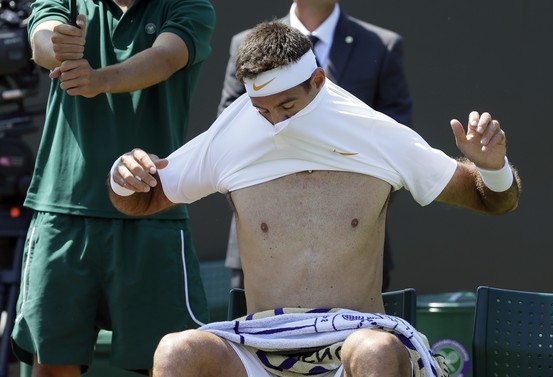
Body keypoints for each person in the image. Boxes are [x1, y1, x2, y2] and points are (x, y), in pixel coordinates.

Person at [108, 21, 521, 377]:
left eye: (287, 106)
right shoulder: (232, 133)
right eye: (262, 110)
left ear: (318, 82)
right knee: (175, 351)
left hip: (353, 342)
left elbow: (492, 199)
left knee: (376, 350)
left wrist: (493, 168)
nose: (276, 123)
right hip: (260, 347)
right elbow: (140, 200)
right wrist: (124, 176)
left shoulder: (374, 132)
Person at [11, 0, 215, 376]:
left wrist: (98, 80)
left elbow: (166, 57)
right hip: (63, 213)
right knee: (52, 365)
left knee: (171, 362)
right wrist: (58, 44)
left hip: (154, 211)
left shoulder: (190, 5)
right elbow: (41, 40)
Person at [220, 0, 413, 291]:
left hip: (355, 248)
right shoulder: (245, 45)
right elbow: (229, 138)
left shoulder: (381, 45)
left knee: (366, 339)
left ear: (319, 79)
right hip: (261, 244)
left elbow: (394, 145)